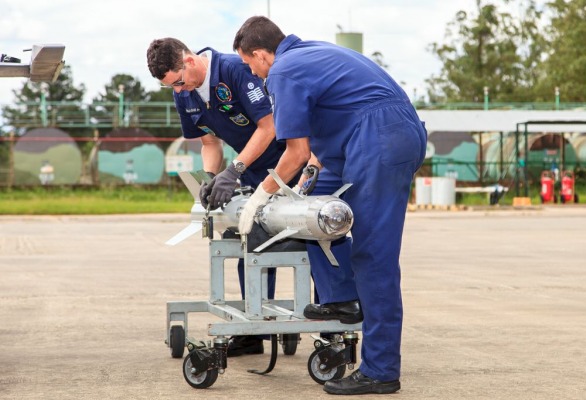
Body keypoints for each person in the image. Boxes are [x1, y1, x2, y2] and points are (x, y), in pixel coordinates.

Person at [233, 16, 427, 396]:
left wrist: (259, 197)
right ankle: (343, 300)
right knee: (311, 215)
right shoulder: (311, 54)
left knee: (373, 255)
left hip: (380, 139)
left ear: (260, 54)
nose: (251, 73)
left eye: (249, 64)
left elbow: (295, 152)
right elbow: (315, 150)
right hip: (359, 139)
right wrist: (300, 189)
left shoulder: (284, 70)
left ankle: (381, 369)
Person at [146, 38, 358, 357]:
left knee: (316, 230)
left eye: (177, 82)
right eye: (171, 88)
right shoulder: (186, 96)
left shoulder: (233, 70)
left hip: (293, 159)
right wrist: (211, 180)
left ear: (189, 61)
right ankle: (253, 329)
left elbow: (269, 126)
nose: (178, 90)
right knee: (250, 238)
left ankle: (334, 322)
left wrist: (233, 171)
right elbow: (209, 144)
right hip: (249, 167)